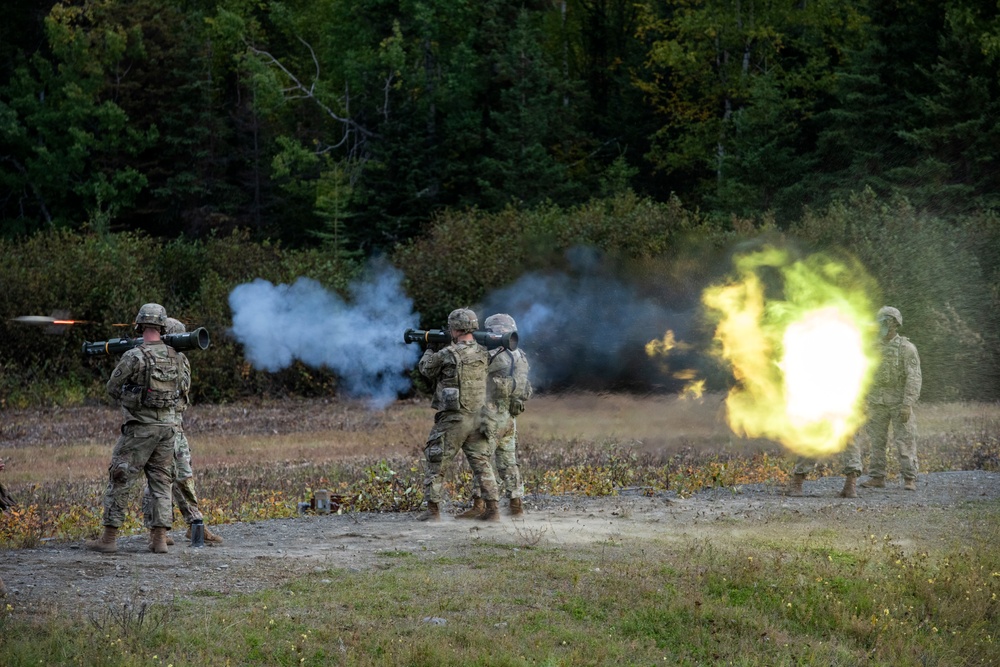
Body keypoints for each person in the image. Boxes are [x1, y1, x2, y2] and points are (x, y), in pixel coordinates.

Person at [86, 303, 188, 554]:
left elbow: (112, 388)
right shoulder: (176, 356)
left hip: (140, 429)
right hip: (167, 429)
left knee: (121, 477)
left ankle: (108, 539)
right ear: (162, 326)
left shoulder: (134, 355)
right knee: (162, 483)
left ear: (140, 325)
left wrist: (131, 395)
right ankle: (159, 540)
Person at [140, 318, 223, 546]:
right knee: (158, 480)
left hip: (177, 426)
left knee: (184, 476)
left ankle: (195, 523)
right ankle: (157, 531)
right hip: (158, 427)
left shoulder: (182, 360)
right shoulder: (149, 360)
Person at [416, 308, 500, 522]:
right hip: (479, 417)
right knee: (482, 464)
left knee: (436, 461)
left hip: (454, 418)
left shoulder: (448, 354)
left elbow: (426, 369)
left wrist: (430, 347)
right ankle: (493, 510)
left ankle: (433, 511)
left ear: (454, 328)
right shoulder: (483, 352)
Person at [458, 313, 533, 518]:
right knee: (508, 461)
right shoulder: (520, 355)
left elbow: (471, 373)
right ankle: (516, 504)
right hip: (510, 416)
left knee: (481, 459)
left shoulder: (493, 354)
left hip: (490, 415)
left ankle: (481, 505)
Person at [858, 306, 922, 490]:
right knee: (877, 441)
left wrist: (907, 403)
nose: (882, 325)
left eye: (886, 321)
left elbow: (914, 376)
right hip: (876, 401)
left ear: (895, 323)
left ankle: (909, 478)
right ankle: (877, 477)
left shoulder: (906, 348)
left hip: (899, 401)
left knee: (905, 439)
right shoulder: (872, 348)